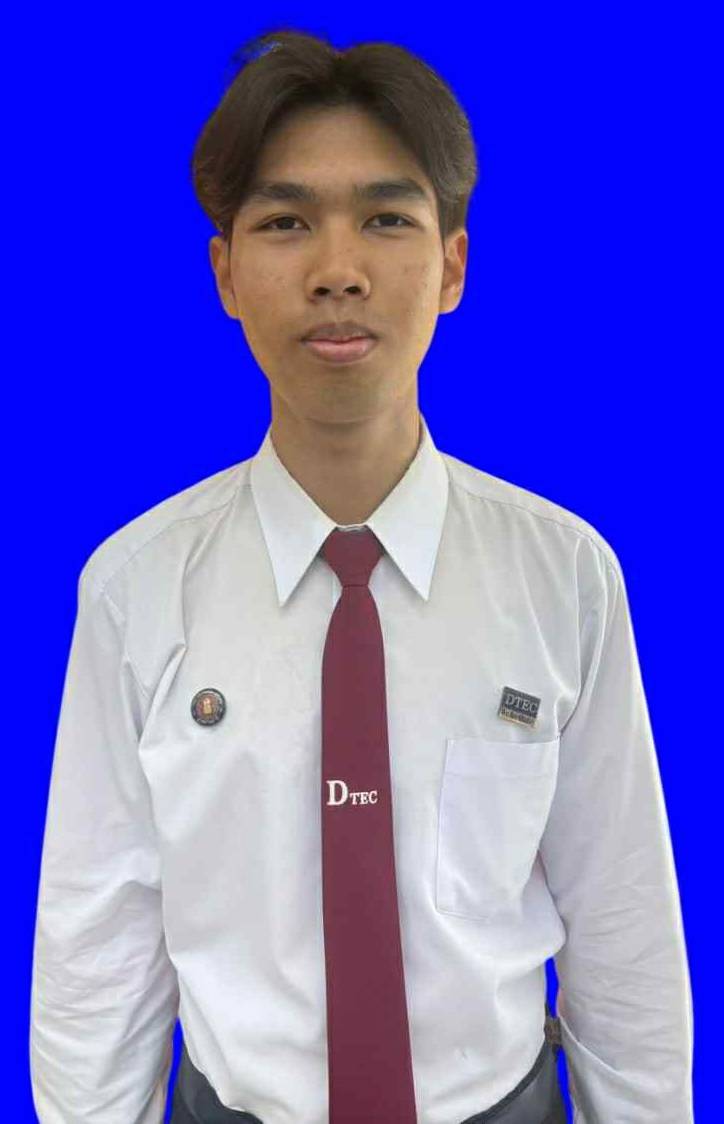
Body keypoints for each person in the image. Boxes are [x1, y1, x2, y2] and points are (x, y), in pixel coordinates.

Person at [29, 28, 693, 1124]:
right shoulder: (135, 586)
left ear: (452, 266)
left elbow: (621, 916)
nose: (338, 270)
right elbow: (97, 938)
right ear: (225, 273)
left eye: (386, 218)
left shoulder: (563, 574)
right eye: (286, 222)